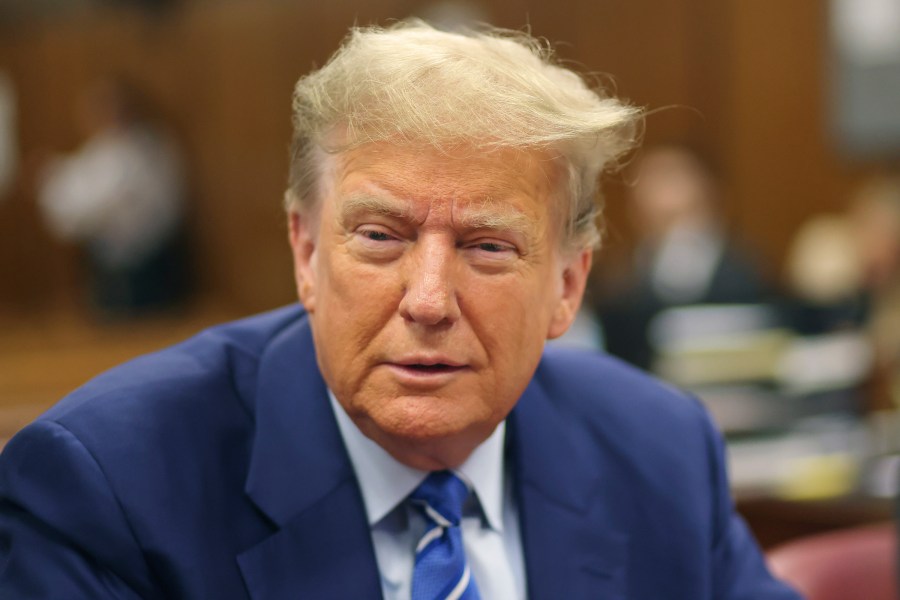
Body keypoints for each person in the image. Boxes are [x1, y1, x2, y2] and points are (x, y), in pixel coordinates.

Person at [0, 22, 800, 599]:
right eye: (380, 236)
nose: (426, 301)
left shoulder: (657, 453)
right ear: (307, 252)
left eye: (488, 247)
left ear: (566, 285)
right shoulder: (106, 486)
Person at [596, 143, 770, 370]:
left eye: (673, 177)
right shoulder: (618, 282)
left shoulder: (747, 269)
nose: (665, 194)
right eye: (654, 180)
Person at [35, 76, 189, 316]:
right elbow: (77, 178)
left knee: (138, 339)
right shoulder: (107, 147)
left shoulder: (139, 153)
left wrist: (51, 186)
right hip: (113, 266)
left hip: (141, 269)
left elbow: (87, 207)